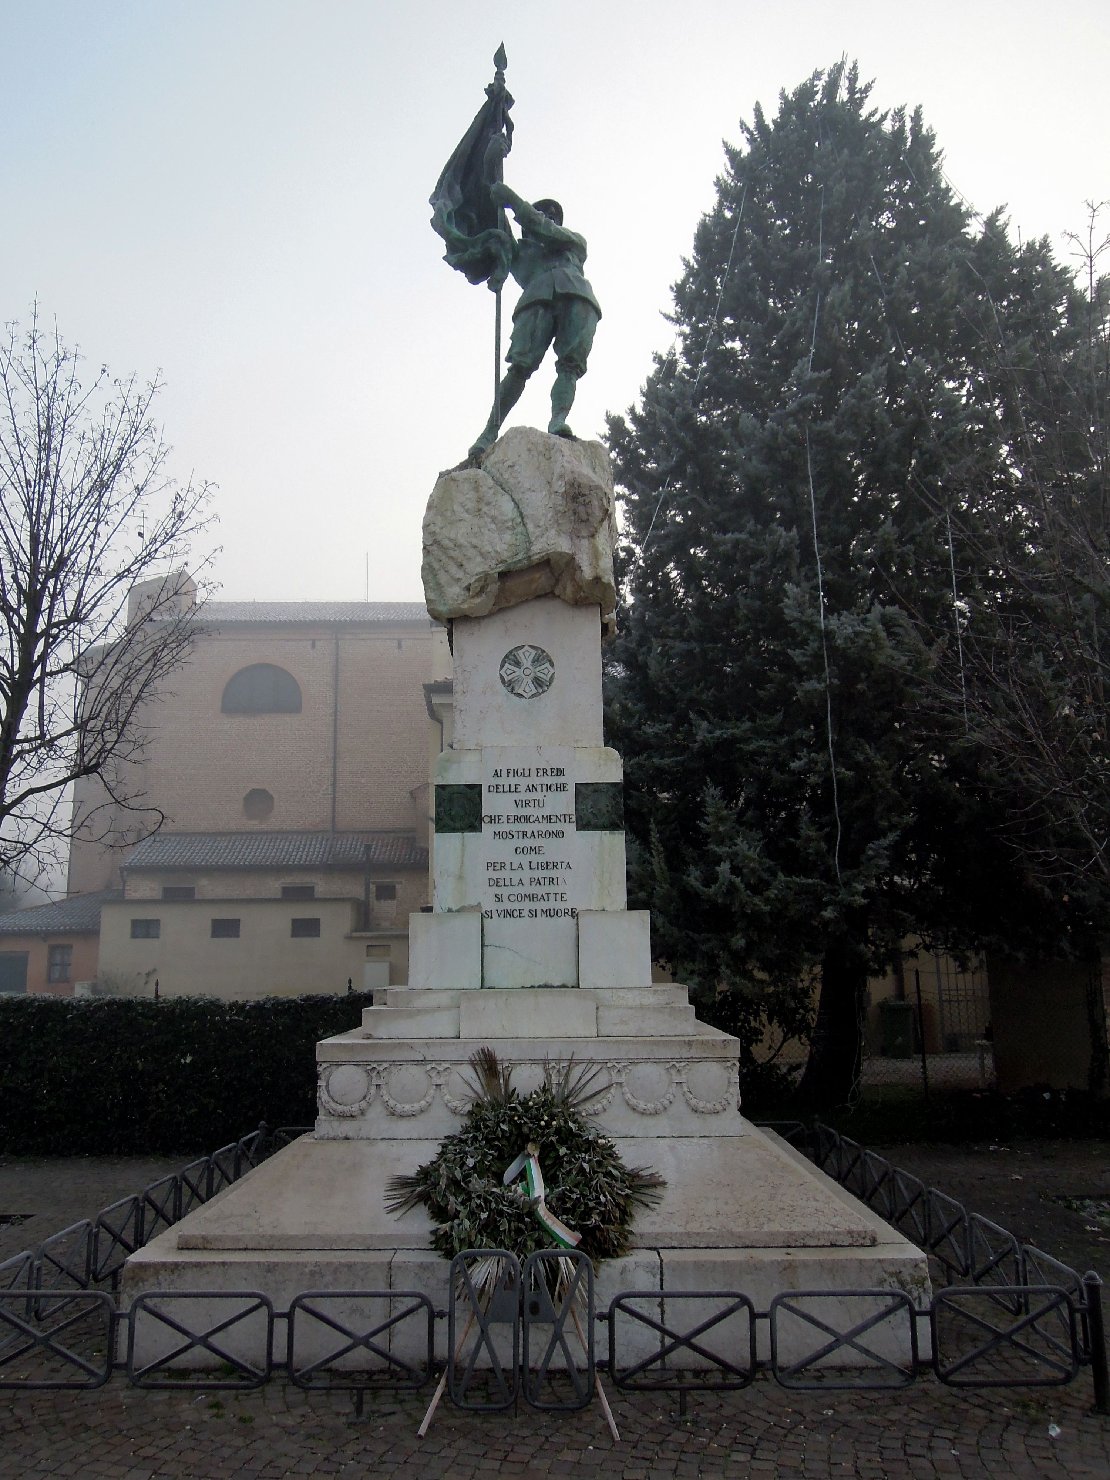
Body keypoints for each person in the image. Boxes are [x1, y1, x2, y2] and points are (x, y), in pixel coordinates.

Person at [469, 182, 602, 457]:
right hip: (537, 299)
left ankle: (558, 419)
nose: (549, 218)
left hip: (578, 297)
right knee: (519, 368)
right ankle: (489, 431)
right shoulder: (519, 253)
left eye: (553, 215)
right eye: (543, 213)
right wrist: (492, 159)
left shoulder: (573, 242)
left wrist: (512, 200)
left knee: (569, 367)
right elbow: (495, 222)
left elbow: (545, 229)